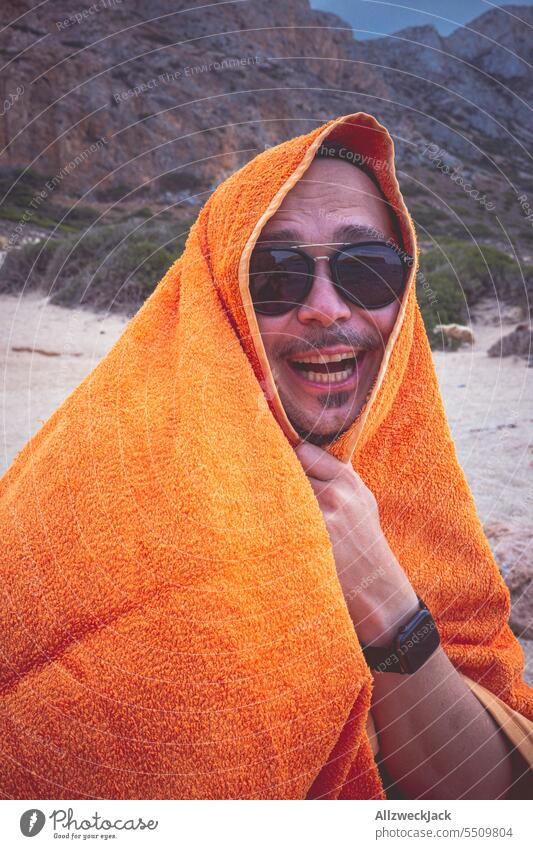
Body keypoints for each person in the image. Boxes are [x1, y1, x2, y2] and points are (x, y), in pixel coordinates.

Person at [0, 111, 531, 800]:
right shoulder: (101, 488)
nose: (322, 308)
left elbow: (496, 798)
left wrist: (382, 594)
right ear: (221, 294)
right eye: (275, 273)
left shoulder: (413, 494)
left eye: (365, 269)